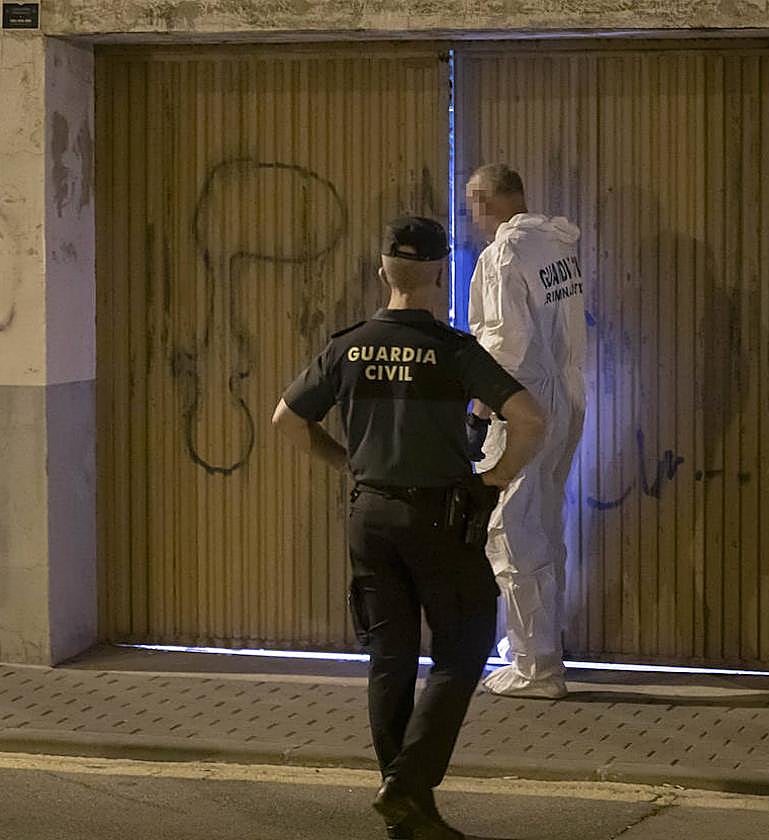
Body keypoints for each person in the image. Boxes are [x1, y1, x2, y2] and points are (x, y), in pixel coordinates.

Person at [272, 216, 546, 840]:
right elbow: (531, 420)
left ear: (382, 271)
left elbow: (286, 420)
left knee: (389, 658)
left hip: (370, 516)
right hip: (438, 519)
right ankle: (409, 784)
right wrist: (493, 479)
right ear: (441, 274)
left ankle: (406, 811)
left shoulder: (348, 346)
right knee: (466, 644)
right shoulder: (453, 352)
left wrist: (347, 462)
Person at [464, 164, 588, 700]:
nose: (471, 219)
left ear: (484, 201)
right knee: (543, 526)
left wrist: (478, 406)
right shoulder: (555, 246)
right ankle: (543, 655)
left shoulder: (504, 254)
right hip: (563, 399)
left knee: (510, 533)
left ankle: (534, 667)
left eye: (472, 206)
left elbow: (503, 344)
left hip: (521, 404)